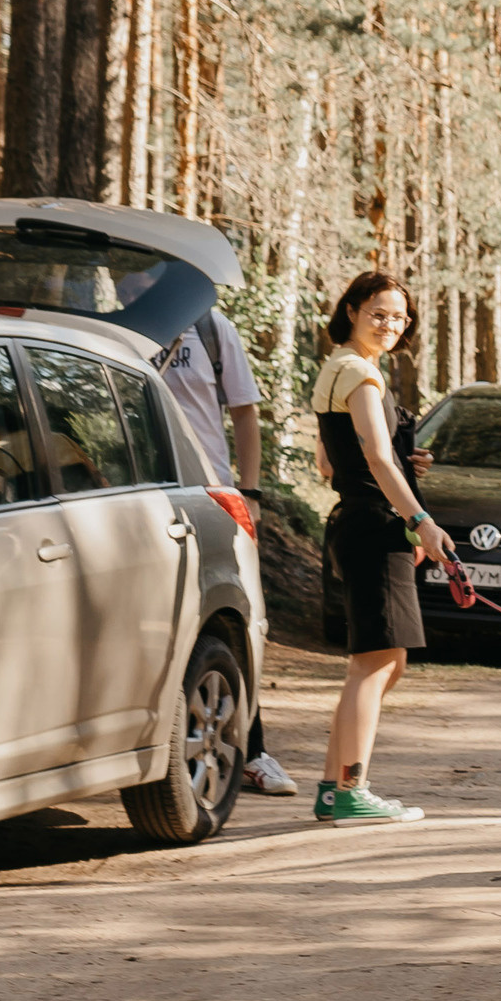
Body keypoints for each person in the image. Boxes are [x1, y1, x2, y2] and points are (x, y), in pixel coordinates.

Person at [310, 272, 453, 825]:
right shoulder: (361, 375)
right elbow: (372, 457)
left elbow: (330, 463)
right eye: (378, 312)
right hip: (375, 527)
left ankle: (332, 789)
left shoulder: (335, 370)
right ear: (351, 310)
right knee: (378, 664)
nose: (390, 323)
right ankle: (351, 790)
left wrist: (400, 459)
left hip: (357, 521)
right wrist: (422, 521)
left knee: (376, 665)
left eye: (398, 316)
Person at [157, 307, 299, 797]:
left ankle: (251, 750)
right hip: (141, 491)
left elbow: (244, 409)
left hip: (210, 492)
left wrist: (251, 493)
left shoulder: (211, 329)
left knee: (233, 616)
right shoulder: (114, 319)